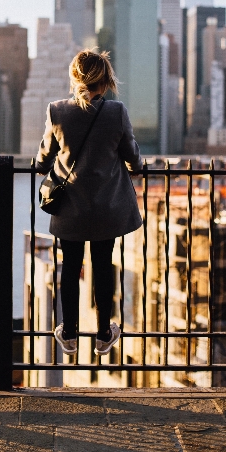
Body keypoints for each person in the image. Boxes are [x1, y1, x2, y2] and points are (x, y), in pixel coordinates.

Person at [36, 49, 142, 356]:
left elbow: (43, 159)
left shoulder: (57, 110)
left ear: (74, 79)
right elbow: (133, 158)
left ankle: (68, 335)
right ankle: (103, 333)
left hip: (70, 207)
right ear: (106, 81)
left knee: (70, 267)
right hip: (107, 208)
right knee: (103, 267)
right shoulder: (116, 112)